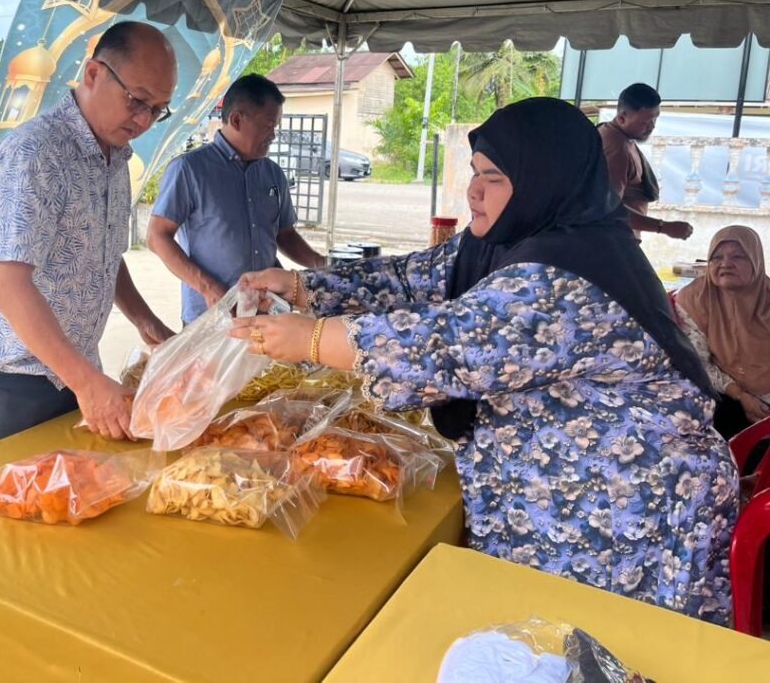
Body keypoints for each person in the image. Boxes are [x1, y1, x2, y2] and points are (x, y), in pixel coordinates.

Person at [231, 98, 738, 625]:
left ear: (544, 181)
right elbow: (412, 277)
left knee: (603, 642)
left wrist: (312, 340)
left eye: (493, 178)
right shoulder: (509, 239)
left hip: (626, 508)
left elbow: (442, 347)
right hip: (565, 493)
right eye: (475, 172)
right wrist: (302, 286)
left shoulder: (564, 276)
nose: (473, 190)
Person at [0, 21, 176, 452]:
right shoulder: (35, 153)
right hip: (12, 381)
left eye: (158, 110)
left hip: (74, 372)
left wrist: (148, 324)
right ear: (93, 73)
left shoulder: (114, 159)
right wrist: (88, 384)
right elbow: (7, 285)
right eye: (137, 100)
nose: (144, 120)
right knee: (7, 495)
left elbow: (103, 256)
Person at [147, 74, 325, 325]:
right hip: (211, 316)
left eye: (276, 127)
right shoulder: (189, 170)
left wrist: (322, 265)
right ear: (237, 120)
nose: (273, 136)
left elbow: (285, 234)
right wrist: (208, 288)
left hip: (267, 311)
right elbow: (157, 237)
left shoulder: (273, 173)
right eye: (267, 125)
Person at [673, 225, 770, 439]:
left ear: (756, 261)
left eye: (738, 256)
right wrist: (740, 395)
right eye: (716, 258)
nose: (725, 264)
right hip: (725, 392)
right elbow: (697, 362)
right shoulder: (694, 299)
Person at [598, 83, 693, 241]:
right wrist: (663, 227)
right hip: (611, 240)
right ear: (622, 118)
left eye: (655, 119)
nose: (652, 127)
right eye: (644, 122)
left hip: (617, 238)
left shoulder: (614, 134)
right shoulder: (617, 149)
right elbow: (608, 208)